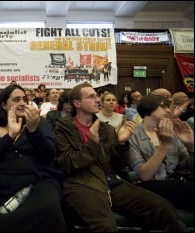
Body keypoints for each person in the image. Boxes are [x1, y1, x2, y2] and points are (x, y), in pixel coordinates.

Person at [54, 82, 188, 232]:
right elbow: (68, 164)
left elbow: (117, 165)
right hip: (81, 183)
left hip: (111, 180)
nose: (97, 100)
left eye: (96, 96)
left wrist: (121, 143)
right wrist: (92, 143)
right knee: (104, 225)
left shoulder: (105, 129)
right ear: (77, 103)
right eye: (91, 97)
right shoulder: (63, 128)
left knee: (162, 209)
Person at [0, 84, 67, 232]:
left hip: (36, 180)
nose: (22, 103)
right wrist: (10, 135)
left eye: (24, 99)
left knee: (49, 207)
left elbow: (49, 155)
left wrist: (33, 130)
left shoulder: (39, 122)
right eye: (16, 99)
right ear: (4, 105)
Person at [128, 94, 194, 211]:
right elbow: (144, 175)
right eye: (163, 107)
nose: (168, 110)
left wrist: (191, 146)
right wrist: (164, 145)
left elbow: (188, 166)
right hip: (149, 185)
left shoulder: (171, 132)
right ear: (149, 107)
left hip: (175, 180)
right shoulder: (133, 134)